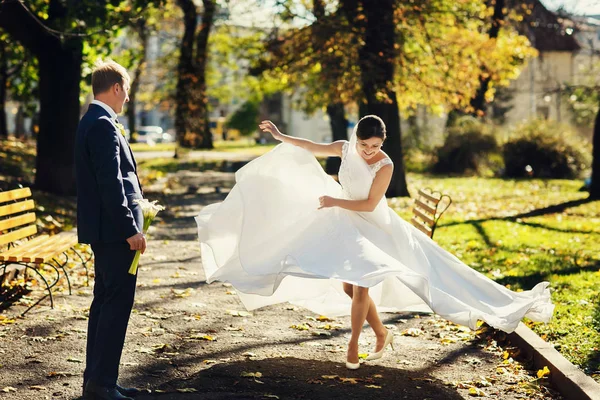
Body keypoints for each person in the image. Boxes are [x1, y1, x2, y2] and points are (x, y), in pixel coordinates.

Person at [195, 115, 554, 370]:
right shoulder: (345, 148)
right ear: (355, 140)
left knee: (368, 285)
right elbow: (310, 146)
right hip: (345, 224)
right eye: (365, 145)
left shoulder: (385, 165)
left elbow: (369, 205)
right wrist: (279, 135)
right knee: (351, 289)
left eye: (376, 146)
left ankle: (353, 345)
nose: (369, 152)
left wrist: (335, 201)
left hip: (375, 228)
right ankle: (381, 333)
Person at [75, 60, 146, 400]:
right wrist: (130, 228)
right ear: (116, 87)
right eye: (127, 91)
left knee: (104, 305)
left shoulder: (95, 120)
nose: (127, 99)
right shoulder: (102, 123)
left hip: (105, 231)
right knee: (114, 308)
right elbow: (110, 183)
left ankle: (100, 380)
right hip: (114, 234)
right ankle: (101, 385)